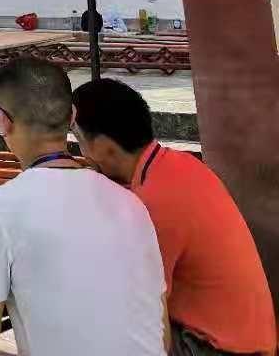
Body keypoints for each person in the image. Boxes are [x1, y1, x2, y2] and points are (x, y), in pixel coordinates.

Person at [0, 58, 166, 356]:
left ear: (2, 120)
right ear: (72, 115)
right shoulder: (130, 202)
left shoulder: (0, 207)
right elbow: (160, 330)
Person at [72, 78, 276, 356]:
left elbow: (146, 311)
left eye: (79, 138)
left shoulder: (152, 205)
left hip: (217, 348)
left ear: (103, 147)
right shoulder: (179, 164)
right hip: (251, 336)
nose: (81, 153)